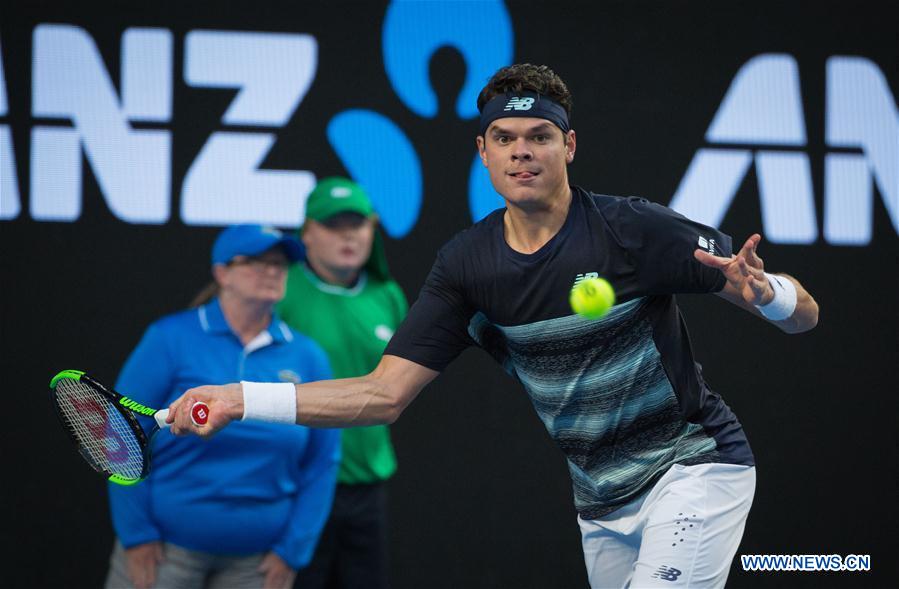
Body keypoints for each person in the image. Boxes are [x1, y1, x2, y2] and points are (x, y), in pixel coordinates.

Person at [166, 64, 819, 588]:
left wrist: (767, 295)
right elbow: (380, 394)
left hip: (695, 468)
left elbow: (804, 316)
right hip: (600, 501)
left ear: (567, 145)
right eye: (504, 139)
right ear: (482, 152)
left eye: (538, 136)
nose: (521, 152)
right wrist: (239, 397)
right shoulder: (466, 266)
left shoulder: (632, 230)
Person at [105, 224, 340, 589]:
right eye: (257, 262)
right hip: (165, 553)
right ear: (221, 273)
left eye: (279, 263)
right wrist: (136, 535)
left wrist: (293, 550)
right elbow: (119, 435)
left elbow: (323, 462)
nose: (273, 271)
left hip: (258, 565)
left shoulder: (308, 357)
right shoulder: (170, 338)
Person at [277, 177, 407, 589]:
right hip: (294, 486)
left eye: (358, 224)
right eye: (334, 225)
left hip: (366, 489)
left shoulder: (387, 296)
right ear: (308, 233)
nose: (348, 235)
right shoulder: (278, 290)